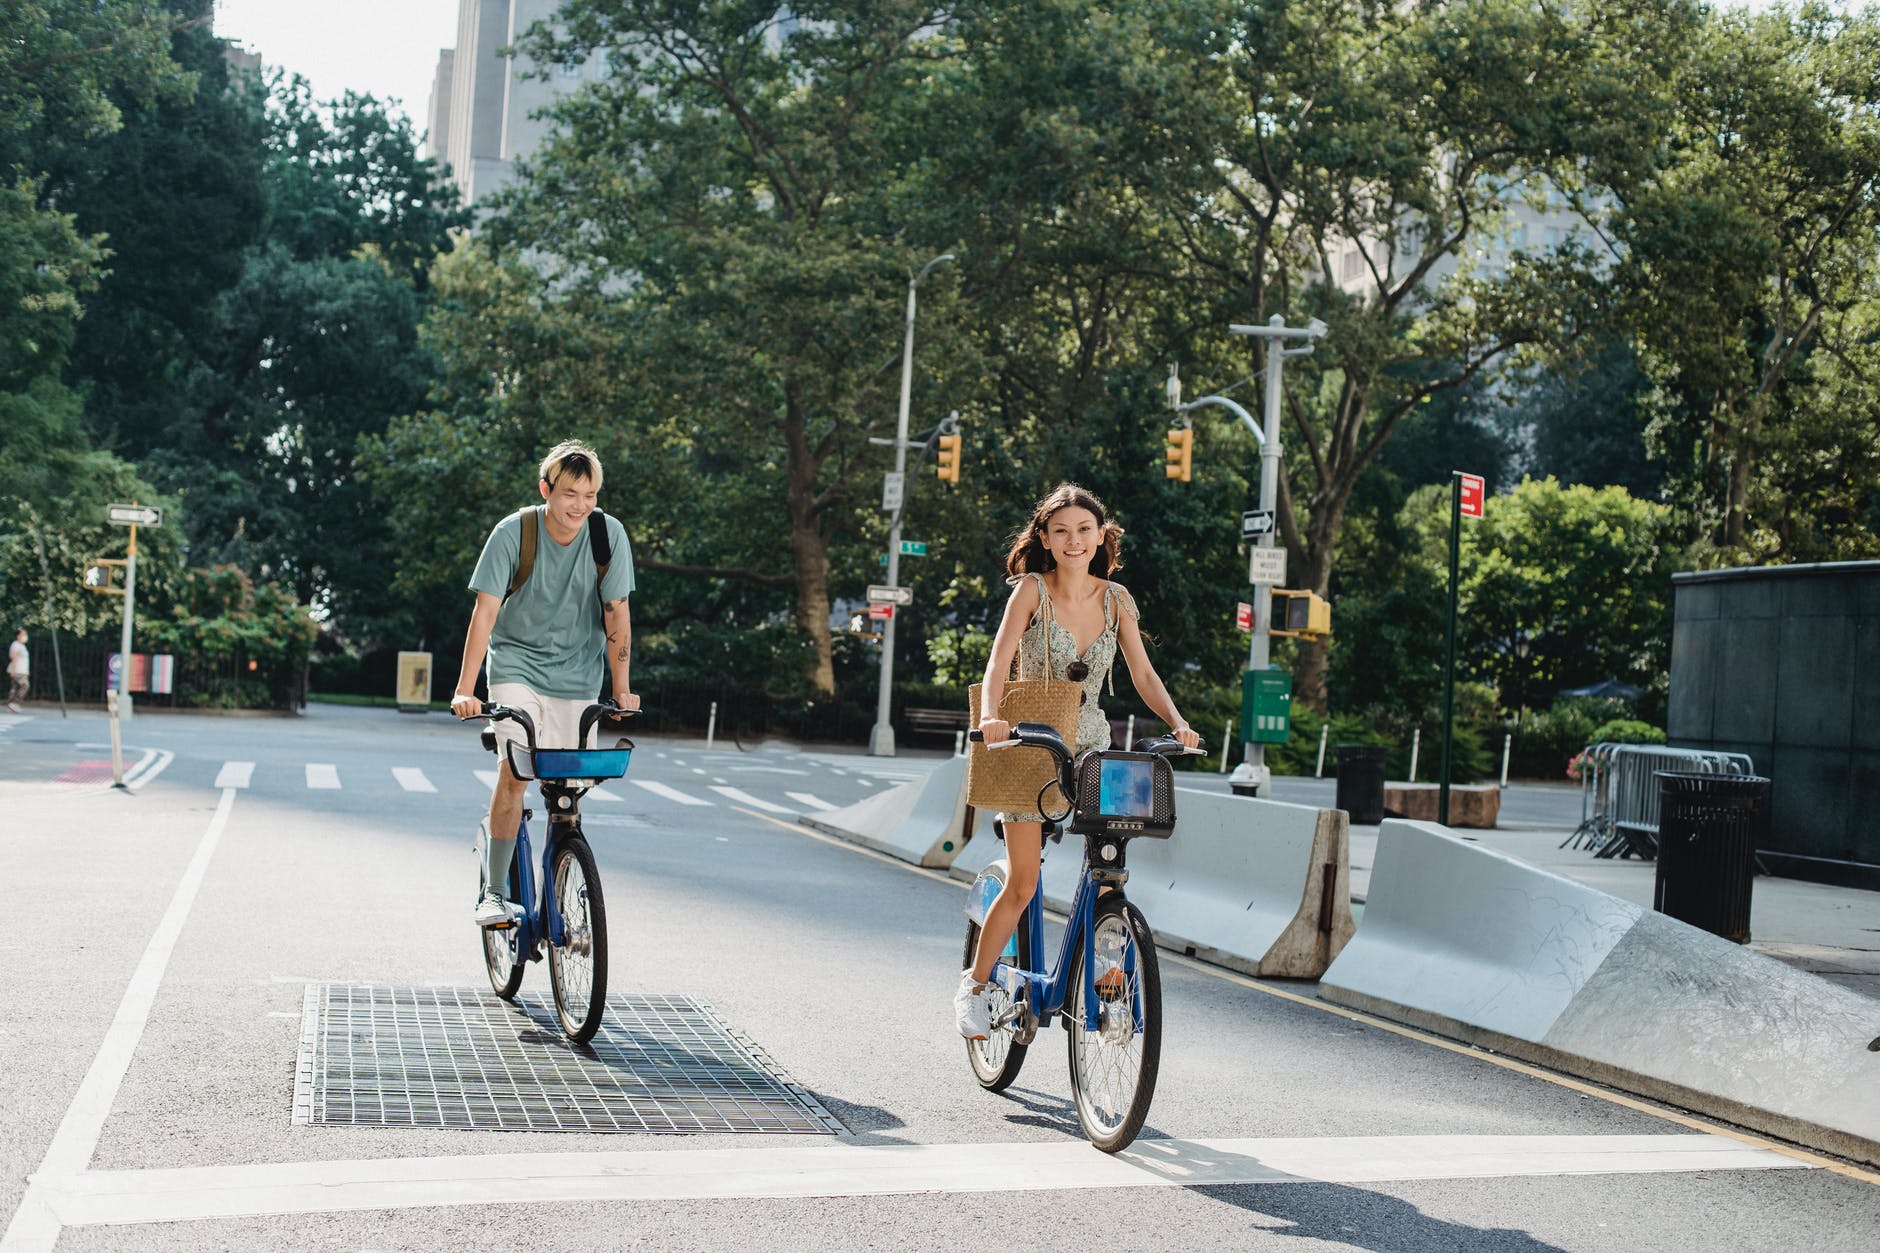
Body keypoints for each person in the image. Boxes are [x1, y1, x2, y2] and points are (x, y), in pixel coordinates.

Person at [957, 483, 1201, 1038]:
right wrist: (993, 716)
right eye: (1061, 530)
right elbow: (999, 659)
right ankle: (973, 988)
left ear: (1100, 537)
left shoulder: (1116, 600)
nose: (1073, 540)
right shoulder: (1031, 591)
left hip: (1090, 747)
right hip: (1028, 743)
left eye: (1083, 530)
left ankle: (1109, 989)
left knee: (1108, 872)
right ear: (1045, 538)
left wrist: (1177, 723)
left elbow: (1142, 673)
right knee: (1022, 883)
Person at [451, 441, 639, 927]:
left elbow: (617, 613)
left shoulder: (608, 535)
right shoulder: (515, 533)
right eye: (570, 493)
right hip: (517, 668)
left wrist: (621, 690)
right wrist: (465, 689)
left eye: (590, 495)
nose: (580, 505)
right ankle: (493, 893)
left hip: (579, 674)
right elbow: (485, 612)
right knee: (515, 772)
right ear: (546, 489)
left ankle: (559, 886)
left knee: (566, 791)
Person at [7, 627, 27, 713]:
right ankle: (14, 704)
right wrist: (14, 670)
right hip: (17, 670)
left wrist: (26, 671)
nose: (25, 636)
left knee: (14, 687)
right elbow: (13, 657)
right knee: (25, 685)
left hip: (21, 670)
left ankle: (11, 705)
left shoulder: (22, 646)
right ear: (18, 635)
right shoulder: (15, 644)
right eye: (23, 634)